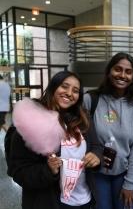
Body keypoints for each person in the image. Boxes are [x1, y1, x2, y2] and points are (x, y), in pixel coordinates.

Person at [8, 71, 102, 209]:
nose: (69, 93)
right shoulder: (32, 119)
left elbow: (97, 146)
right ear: (53, 87)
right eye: (64, 86)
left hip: (84, 200)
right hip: (49, 202)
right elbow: (18, 171)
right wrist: (48, 170)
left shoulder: (83, 118)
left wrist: (96, 156)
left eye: (75, 91)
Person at [83, 52, 133, 209]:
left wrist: (130, 183)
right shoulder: (90, 99)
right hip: (96, 174)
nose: (122, 75)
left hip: (124, 175)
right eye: (117, 69)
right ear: (109, 72)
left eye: (128, 71)